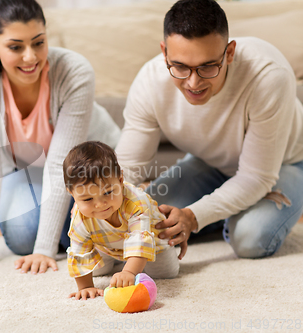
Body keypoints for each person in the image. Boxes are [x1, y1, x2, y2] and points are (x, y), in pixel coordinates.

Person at [0, 0, 120, 276]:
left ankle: (89, 232)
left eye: (38, 43)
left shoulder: (74, 71)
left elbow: (60, 165)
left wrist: (43, 249)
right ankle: (89, 235)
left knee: (105, 212)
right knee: (22, 233)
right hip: (27, 174)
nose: (30, 57)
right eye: (16, 47)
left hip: (94, 175)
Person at [116, 0, 303, 260]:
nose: (193, 82)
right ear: (164, 52)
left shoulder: (269, 75)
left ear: (229, 53)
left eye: (207, 67)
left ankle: (228, 216)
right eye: (180, 66)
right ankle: (225, 209)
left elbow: (257, 176)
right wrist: (107, 201)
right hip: (210, 165)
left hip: (285, 164)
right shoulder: (149, 82)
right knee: (144, 217)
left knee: (251, 237)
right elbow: (129, 167)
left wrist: (193, 217)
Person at [63, 141, 179, 300]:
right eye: (88, 199)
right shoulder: (79, 215)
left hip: (152, 241)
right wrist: (86, 287)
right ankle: (122, 259)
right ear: (72, 193)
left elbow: (140, 241)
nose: (99, 204)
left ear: (120, 180)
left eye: (108, 192)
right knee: (96, 271)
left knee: (166, 273)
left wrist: (129, 272)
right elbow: (79, 251)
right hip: (108, 245)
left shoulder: (136, 203)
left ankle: (129, 263)